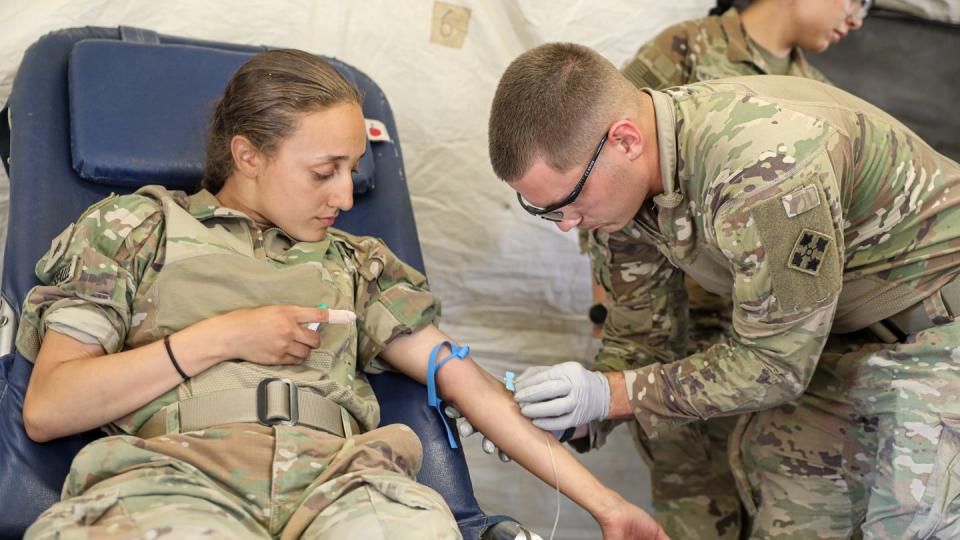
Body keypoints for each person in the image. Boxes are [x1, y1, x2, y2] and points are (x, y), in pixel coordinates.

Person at [18, 49, 667, 540]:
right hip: (175, 484)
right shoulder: (138, 229)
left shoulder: (358, 264)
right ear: (247, 155)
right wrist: (223, 337)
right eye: (324, 172)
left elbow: (468, 386)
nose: (347, 196)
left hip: (345, 490)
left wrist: (607, 505)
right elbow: (50, 406)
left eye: (353, 171)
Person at [488, 42, 960, 539]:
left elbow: (775, 364)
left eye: (568, 201)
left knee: (911, 525)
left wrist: (608, 396)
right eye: (544, 211)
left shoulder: (764, 170)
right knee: (790, 509)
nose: (567, 224)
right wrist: (572, 417)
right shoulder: (617, 195)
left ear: (624, 140)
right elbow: (645, 337)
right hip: (841, 344)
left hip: (940, 334)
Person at [570, 1, 870, 537]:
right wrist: (607, 331)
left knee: (782, 503)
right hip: (681, 339)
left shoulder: (816, 91)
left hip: (779, 346)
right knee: (698, 512)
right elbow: (603, 185)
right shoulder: (683, 51)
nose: (858, 18)